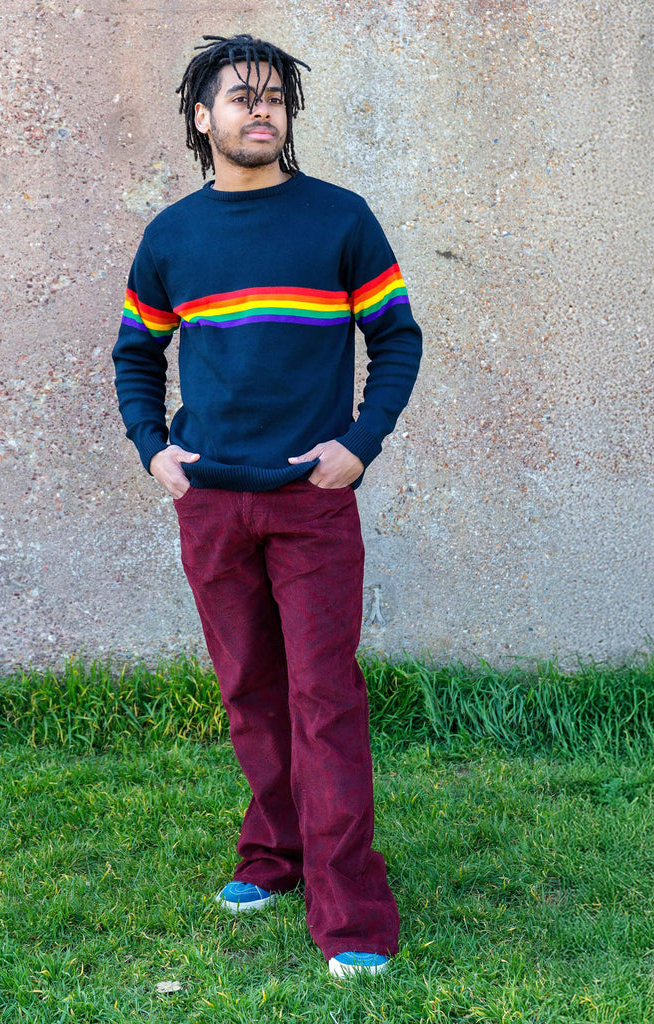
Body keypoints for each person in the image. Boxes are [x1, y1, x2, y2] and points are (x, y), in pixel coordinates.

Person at [112, 33, 422, 978]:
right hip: (210, 504)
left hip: (310, 505)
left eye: (275, 98)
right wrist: (155, 451)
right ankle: (274, 854)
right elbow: (135, 355)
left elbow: (397, 340)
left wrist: (356, 447)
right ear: (199, 116)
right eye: (240, 97)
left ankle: (351, 913)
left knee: (322, 698)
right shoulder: (170, 237)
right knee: (250, 691)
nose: (261, 110)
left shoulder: (340, 220)